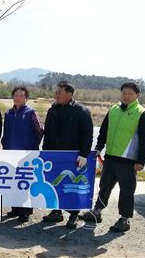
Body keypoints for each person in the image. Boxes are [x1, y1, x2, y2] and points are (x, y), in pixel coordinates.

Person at [80, 82, 145, 232]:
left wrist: (141, 160)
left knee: (126, 190)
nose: (126, 96)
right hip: (111, 156)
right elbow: (104, 130)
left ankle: (124, 219)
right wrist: (99, 147)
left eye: (130, 93)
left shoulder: (142, 113)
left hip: (128, 160)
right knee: (104, 186)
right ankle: (97, 212)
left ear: (137, 95)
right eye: (124, 93)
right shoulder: (113, 109)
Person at [41, 81, 93, 229]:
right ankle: (56, 211)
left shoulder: (81, 111)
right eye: (56, 92)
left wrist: (84, 154)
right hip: (55, 155)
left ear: (69, 94)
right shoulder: (53, 110)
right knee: (55, 183)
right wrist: (45, 152)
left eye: (59, 92)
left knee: (72, 185)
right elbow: (48, 133)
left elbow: (87, 135)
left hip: (73, 156)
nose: (56, 95)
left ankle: (74, 215)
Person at [1, 86, 44, 223]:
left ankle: (25, 211)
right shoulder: (8, 113)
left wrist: (33, 145)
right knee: (13, 182)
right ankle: (15, 208)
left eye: (21, 95)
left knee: (25, 182)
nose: (18, 97)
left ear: (26, 98)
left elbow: (40, 130)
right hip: (10, 153)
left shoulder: (31, 112)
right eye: (16, 95)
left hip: (27, 155)